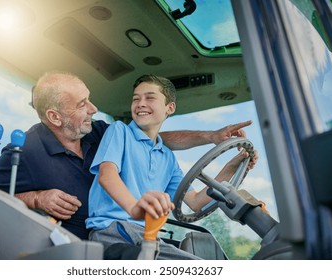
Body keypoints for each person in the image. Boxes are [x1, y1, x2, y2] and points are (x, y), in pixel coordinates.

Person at [0, 71, 256, 240]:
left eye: (90, 99)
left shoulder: (98, 131)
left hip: (127, 239)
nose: (93, 109)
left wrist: (213, 141)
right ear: (54, 117)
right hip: (74, 248)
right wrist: (37, 198)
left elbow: (156, 141)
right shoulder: (25, 149)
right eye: (82, 104)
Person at [86, 74, 257, 260]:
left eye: (150, 97)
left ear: (170, 107)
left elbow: (195, 201)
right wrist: (135, 208)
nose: (140, 103)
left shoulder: (167, 157)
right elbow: (107, 175)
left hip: (146, 235)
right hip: (114, 231)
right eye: (136, 99)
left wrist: (231, 167)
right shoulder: (120, 131)